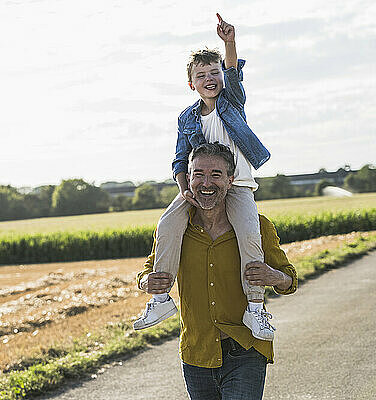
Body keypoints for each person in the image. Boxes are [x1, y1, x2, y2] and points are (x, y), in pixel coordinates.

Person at [133, 13, 275, 340]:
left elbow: (233, 74)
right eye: (202, 75)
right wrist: (185, 191)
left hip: (236, 186)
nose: (210, 78)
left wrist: (229, 43)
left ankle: (255, 308)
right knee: (167, 224)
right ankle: (159, 299)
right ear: (191, 83)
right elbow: (180, 159)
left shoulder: (232, 103)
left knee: (250, 234)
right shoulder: (186, 117)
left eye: (215, 73)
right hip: (201, 188)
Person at [137, 143, 297, 400]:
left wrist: (274, 276)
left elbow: (289, 279)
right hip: (196, 353)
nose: (206, 182)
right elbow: (147, 272)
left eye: (216, 174)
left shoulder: (256, 227)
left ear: (231, 180)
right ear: (188, 179)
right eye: (199, 174)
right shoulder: (175, 230)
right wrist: (147, 282)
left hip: (245, 349)